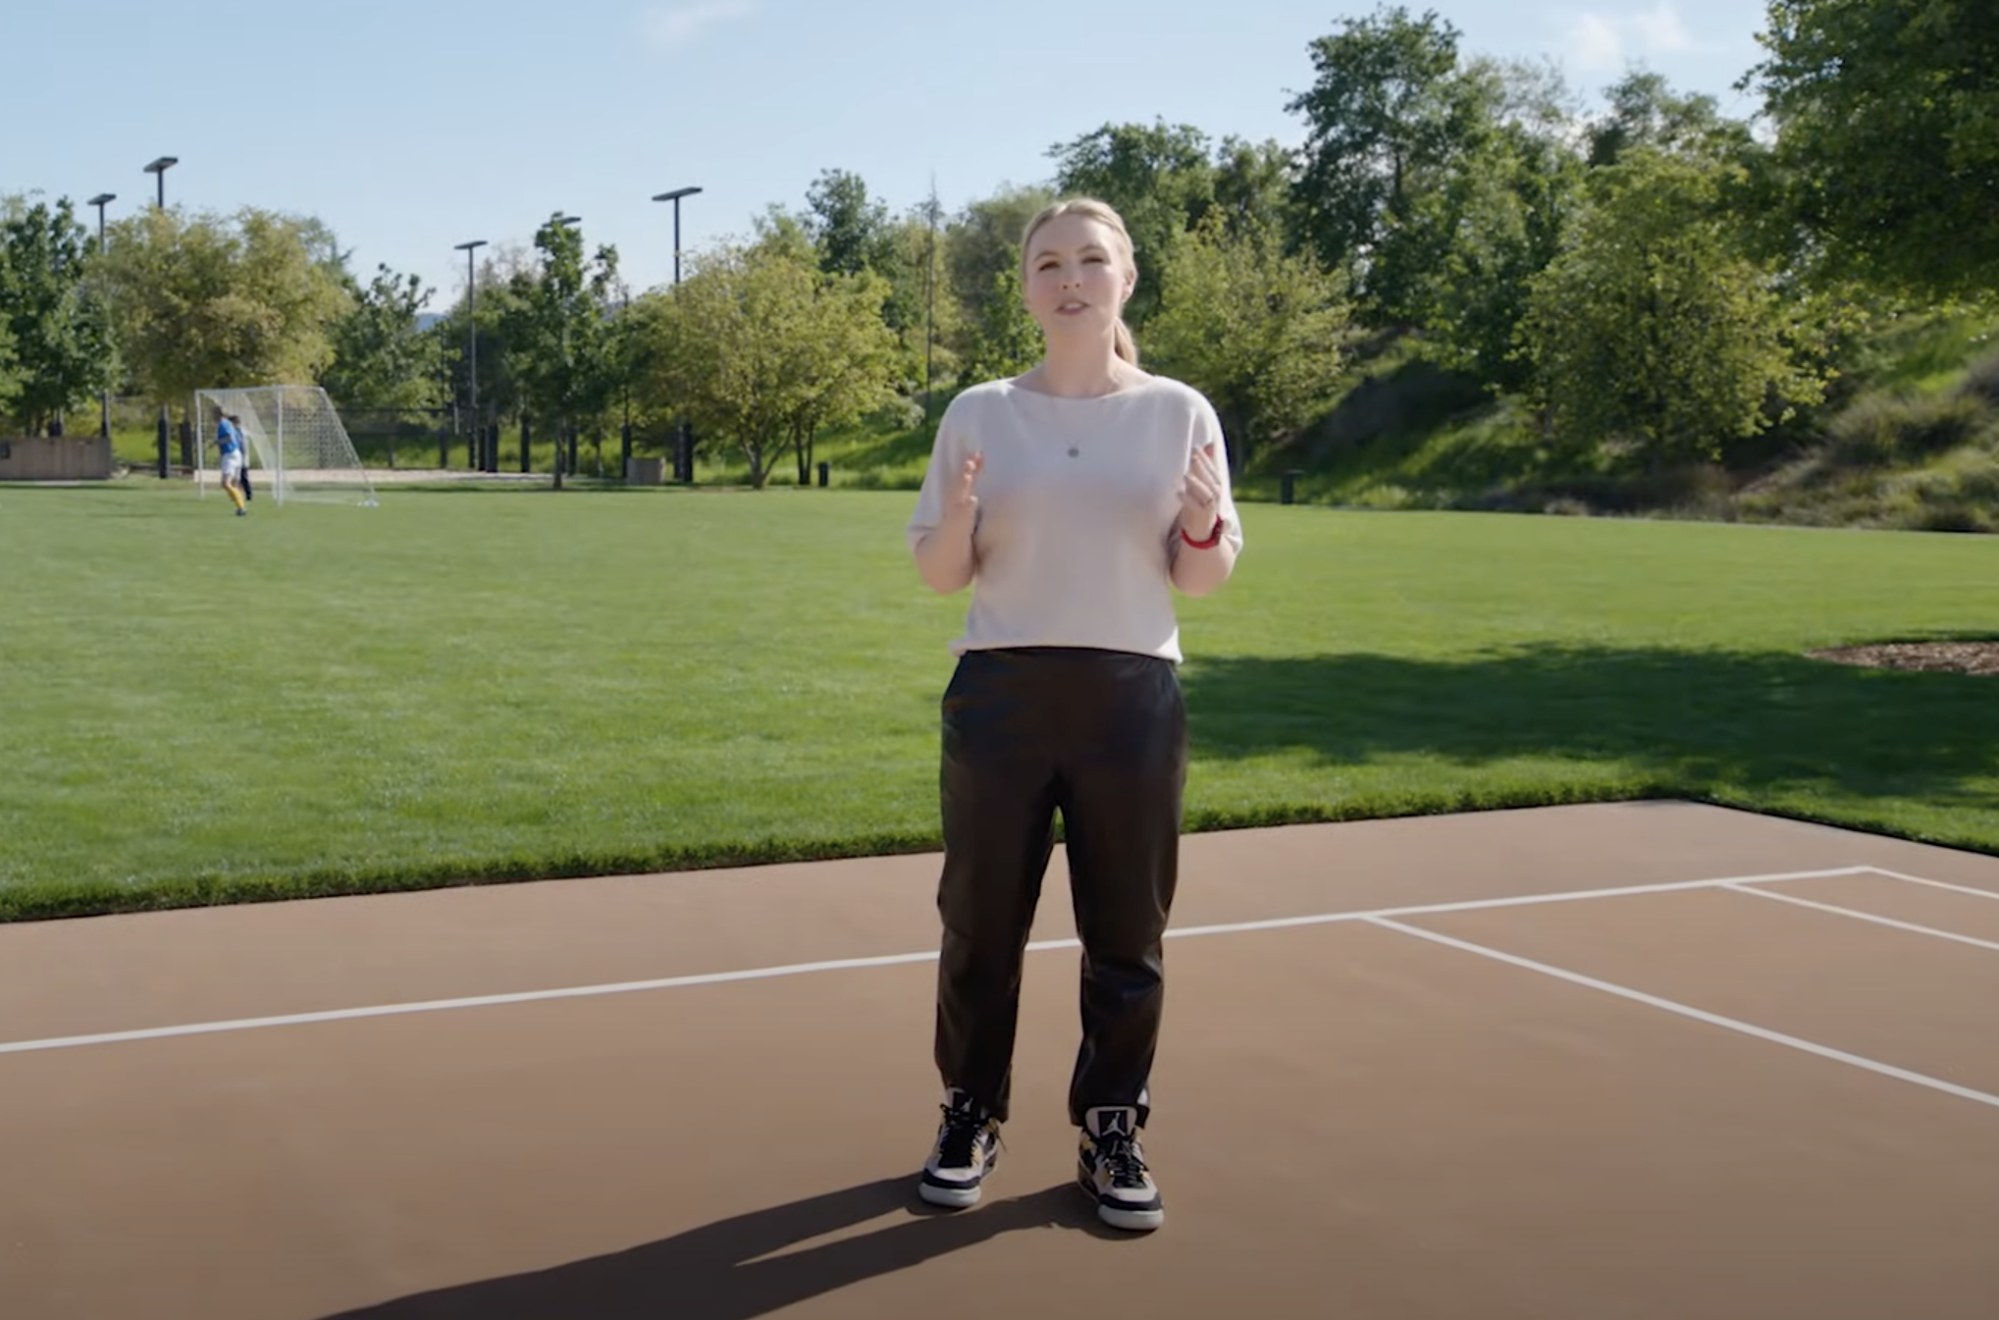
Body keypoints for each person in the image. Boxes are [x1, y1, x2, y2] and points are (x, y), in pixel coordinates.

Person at [903, 197, 1243, 1233]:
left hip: (1130, 697)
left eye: (1090, 261)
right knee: (977, 927)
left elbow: (1207, 579)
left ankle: (1110, 1126)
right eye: (1048, 263)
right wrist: (957, 516)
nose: (1069, 278)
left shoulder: (1179, 412)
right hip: (1001, 696)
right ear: (1025, 288)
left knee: (1126, 934)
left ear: (1124, 279)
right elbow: (937, 574)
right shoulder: (980, 411)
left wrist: (1197, 525)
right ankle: (968, 1112)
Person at [216, 413, 249, 516]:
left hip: (232, 456)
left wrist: (217, 442)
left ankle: (241, 507)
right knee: (234, 484)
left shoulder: (227, 427)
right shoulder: (236, 431)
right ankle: (240, 505)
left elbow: (229, 439)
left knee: (226, 483)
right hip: (237, 456)